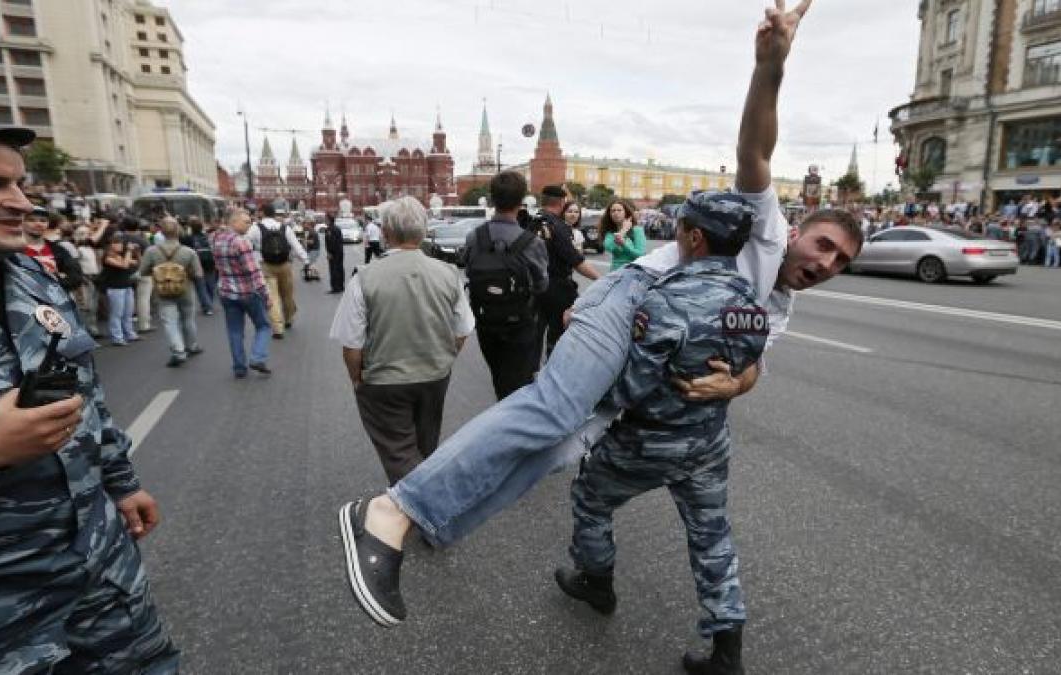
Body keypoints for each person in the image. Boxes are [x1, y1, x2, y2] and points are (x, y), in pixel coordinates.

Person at [337, 0, 858, 633]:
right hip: (630, 302)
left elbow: (751, 366)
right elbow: (756, 148)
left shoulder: (779, 303)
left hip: (648, 361)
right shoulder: (766, 231)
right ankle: (387, 513)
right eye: (825, 246)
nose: (828, 262)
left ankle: (419, 524)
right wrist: (770, 67)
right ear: (801, 233)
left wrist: (734, 383)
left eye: (842, 262)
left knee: (555, 450)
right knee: (554, 408)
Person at [0, 99, 178, 673]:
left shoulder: (33, 279)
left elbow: (87, 394)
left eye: (18, 182)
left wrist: (120, 480)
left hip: (104, 591)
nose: (20, 202)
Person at [555, 192, 766, 675]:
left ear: (694, 236)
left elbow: (629, 387)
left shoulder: (666, 300)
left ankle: (597, 581)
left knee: (590, 497)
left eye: (680, 227)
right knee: (712, 536)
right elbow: (746, 364)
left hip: (647, 440)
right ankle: (727, 652)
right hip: (709, 442)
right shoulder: (751, 303)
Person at [329, 197, 475, 485]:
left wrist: (357, 379)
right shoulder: (447, 274)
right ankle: (423, 502)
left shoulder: (364, 278)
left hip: (384, 380)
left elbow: (352, 344)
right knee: (424, 445)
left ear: (385, 233)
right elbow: (462, 328)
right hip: (434, 375)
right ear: (423, 232)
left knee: (399, 453)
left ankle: (424, 510)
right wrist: (445, 359)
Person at [462, 170, 549, 400]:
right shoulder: (532, 242)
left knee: (500, 380)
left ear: (491, 199)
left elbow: (469, 271)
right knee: (518, 389)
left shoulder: (474, 237)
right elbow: (541, 285)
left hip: (486, 323)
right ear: (521, 202)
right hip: (519, 325)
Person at [534, 187, 601, 365]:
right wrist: (600, 279)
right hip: (557, 289)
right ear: (562, 202)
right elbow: (575, 261)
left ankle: (529, 374)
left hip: (532, 288)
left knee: (534, 335)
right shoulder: (558, 226)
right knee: (560, 333)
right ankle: (555, 370)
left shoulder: (531, 221)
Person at [213, 208, 273, 378]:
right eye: (246, 222)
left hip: (226, 292)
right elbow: (253, 271)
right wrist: (266, 295)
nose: (250, 225)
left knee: (234, 331)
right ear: (234, 222)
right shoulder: (241, 242)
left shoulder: (216, 239)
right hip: (247, 293)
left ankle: (239, 367)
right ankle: (257, 357)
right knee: (264, 325)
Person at [139, 217, 205, 367]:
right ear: (179, 231)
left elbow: (142, 271)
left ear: (161, 231)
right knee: (188, 318)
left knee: (170, 322)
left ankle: (178, 351)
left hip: (162, 291)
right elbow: (199, 274)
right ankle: (192, 345)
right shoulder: (188, 252)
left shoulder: (152, 251)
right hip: (185, 289)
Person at [248, 203, 308, 339]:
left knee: (272, 296)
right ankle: (288, 318)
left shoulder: (256, 228)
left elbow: (245, 243)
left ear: (262, 212)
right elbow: (296, 245)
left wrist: (252, 258)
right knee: (287, 295)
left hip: (266, 265)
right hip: (285, 265)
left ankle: (277, 328)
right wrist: (306, 260)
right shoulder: (284, 228)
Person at [102, 233, 140, 346]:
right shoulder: (108, 258)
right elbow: (124, 265)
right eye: (117, 243)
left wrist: (136, 252)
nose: (121, 246)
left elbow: (135, 263)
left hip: (127, 286)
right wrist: (128, 252)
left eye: (121, 243)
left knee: (128, 312)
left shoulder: (121, 256)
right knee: (116, 313)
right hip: (115, 288)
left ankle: (129, 333)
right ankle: (117, 337)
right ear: (111, 245)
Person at [182, 216, 217, 316]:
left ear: (190, 227)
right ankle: (209, 303)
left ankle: (207, 306)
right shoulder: (209, 236)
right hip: (210, 263)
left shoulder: (187, 238)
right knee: (210, 285)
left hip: (196, 264)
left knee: (201, 286)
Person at [601, 199, 647, 270]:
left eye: (619, 210)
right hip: (615, 273)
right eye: (613, 211)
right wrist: (623, 231)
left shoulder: (637, 230)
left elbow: (640, 254)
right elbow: (610, 247)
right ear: (609, 214)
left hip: (633, 272)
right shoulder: (610, 233)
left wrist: (624, 245)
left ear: (626, 213)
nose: (616, 213)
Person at [325, 213, 346, 293]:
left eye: (326, 219)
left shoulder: (330, 229)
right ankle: (341, 286)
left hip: (334, 253)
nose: (325, 221)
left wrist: (329, 253)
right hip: (340, 252)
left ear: (329, 220)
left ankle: (335, 287)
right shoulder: (337, 228)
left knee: (334, 269)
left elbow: (331, 242)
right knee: (340, 268)